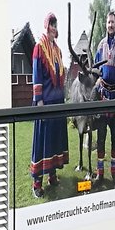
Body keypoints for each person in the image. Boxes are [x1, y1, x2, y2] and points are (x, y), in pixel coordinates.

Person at [30, 12, 69, 198]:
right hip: (45, 102)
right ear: (46, 26)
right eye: (51, 24)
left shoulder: (59, 50)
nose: (54, 28)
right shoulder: (39, 47)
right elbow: (37, 75)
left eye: (56, 24)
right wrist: (39, 102)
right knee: (42, 141)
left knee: (55, 140)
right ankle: (36, 182)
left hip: (58, 101)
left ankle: (52, 175)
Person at [92, 11, 115, 183]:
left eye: (113, 22)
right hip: (102, 97)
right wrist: (97, 79)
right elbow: (95, 68)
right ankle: (100, 174)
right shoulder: (100, 45)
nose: (110, 25)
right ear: (106, 24)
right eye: (108, 22)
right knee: (101, 137)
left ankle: (114, 172)